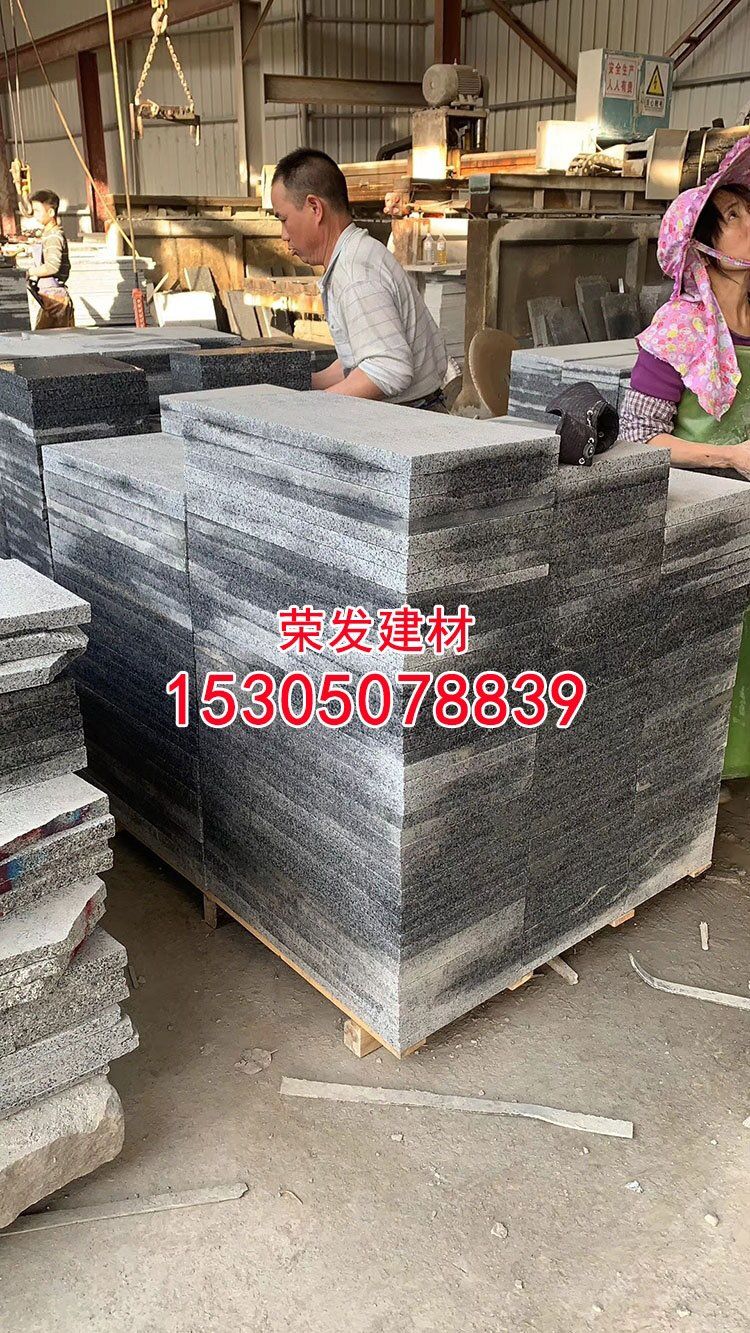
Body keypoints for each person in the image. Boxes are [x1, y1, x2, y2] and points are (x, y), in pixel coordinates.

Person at [619, 134, 750, 777]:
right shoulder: (679, 330)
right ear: (703, 246)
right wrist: (731, 458)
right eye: (735, 216)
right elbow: (638, 439)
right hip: (703, 522)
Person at [270, 148, 449, 409]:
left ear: (315, 207)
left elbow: (388, 368)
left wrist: (313, 409)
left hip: (413, 418)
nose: (284, 235)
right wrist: (306, 384)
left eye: (284, 219)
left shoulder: (355, 272)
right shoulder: (354, 255)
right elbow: (359, 359)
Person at [23, 189, 74, 330]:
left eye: (37, 211)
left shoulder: (54, 236)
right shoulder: (47, 234)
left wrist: (28, 272)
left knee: (50, 339)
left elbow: (52, 267)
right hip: (49, 298)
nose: (35, 215)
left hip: (55, 301)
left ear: (51, 212)